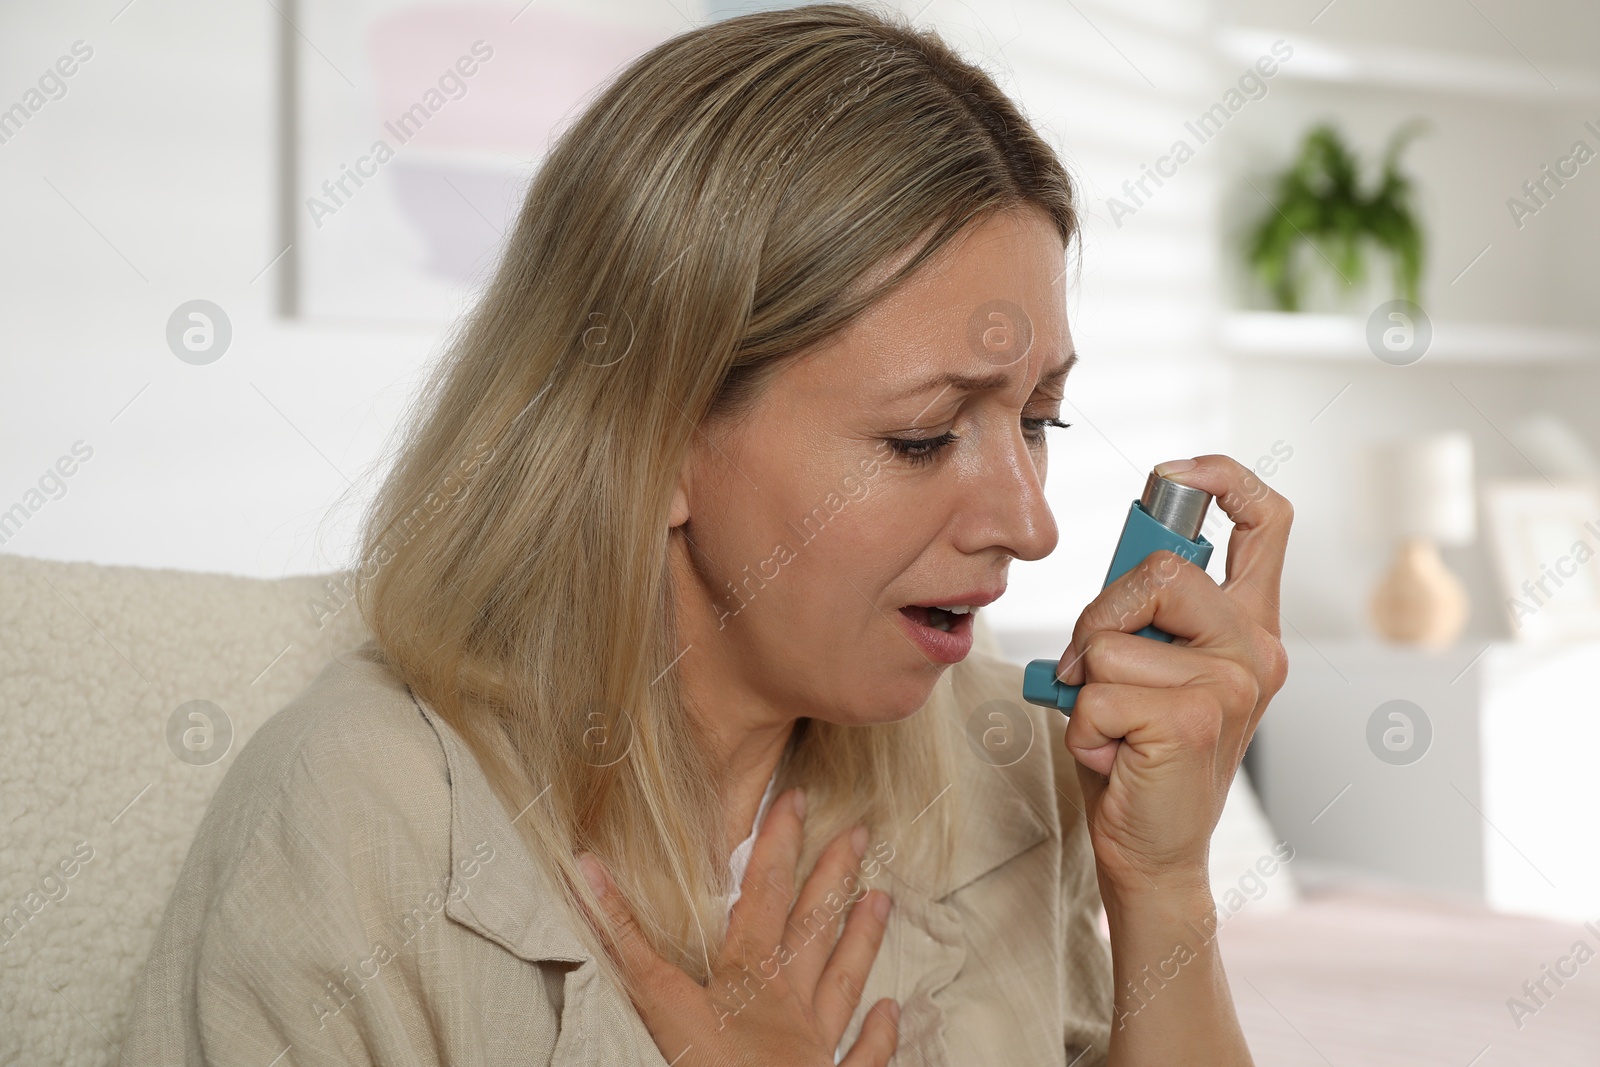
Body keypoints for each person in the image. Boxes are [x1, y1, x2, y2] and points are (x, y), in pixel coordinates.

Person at [121, 4, 1290, 1064]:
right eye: (926, 435)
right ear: (655, 431)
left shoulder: (1003, 760)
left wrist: (1162, 884)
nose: (1029, 524)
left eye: (1039, 418)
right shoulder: (357, 816)